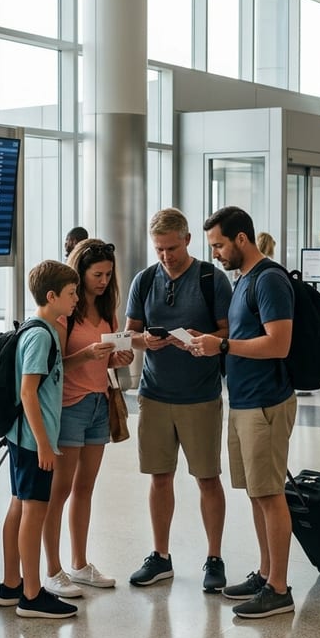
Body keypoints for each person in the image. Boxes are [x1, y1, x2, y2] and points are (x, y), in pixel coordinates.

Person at [196, 205, 297, 619]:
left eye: (219, 244)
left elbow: (279, 344)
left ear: (241, 238)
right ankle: (265, 571)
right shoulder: (244, 280)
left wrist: (221, 346)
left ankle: (279, 587)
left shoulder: (269, 280)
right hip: (244, 401)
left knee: (270, 494)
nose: (215, 253)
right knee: (257, 494)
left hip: (265, 402)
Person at [125, 208, 232, 592]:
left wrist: (200, 339)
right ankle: (160, 556)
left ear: (187, 240)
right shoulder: (144, 280)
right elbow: (129, 334)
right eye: (159, 250)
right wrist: (144, 342)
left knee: (207, 477)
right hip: (154, 394)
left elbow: (226, 332)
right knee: (159, 477)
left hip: (200, 396)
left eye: (171, 248)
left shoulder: (211, 279)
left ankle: (215, 557)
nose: (166, 256)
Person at [41, 240, 134, 598]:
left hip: (99, 403)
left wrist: (115, 360)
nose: (103, 280)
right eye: (97, 274)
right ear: (79, 274)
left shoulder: (108, 310)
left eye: (108, 274)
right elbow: (54, 366)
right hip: (70, 406)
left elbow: (105, 359)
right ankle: (52, 569)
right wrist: (86, 355)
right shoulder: (66, 313)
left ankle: (79, 563)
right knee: (59, 491)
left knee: (85, 488)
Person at [0, 260, 80, 619]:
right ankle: (32, 594)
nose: (76, 299)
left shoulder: (39, 329)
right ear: (52, 296)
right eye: (72, 294)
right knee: (33, 510)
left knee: (20, 505)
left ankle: (11, 584)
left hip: (24, 438)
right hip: (33, 441)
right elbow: (29, 393)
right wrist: (45, 444)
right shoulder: (41, 334)